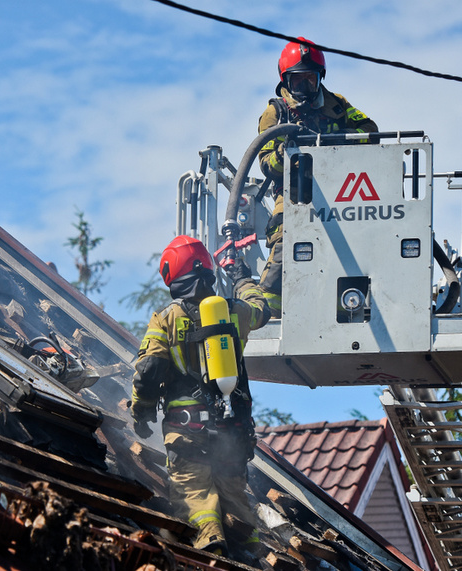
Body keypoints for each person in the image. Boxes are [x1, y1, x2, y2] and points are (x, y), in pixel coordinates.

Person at [129, 235, 270, 558]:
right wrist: (241, 277)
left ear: (171, 274)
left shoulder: (166, 318)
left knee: (193, 495)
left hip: (188, 430)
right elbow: (262, 309)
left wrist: (142, 412)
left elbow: (149, 370)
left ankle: (211, 549)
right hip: (233, 430)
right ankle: (253, 555)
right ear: (206, 266)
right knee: (235, 497)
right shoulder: (236, 313)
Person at [257, 37, 378, 317]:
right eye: (298, 81)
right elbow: (265, 162)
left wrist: (337, 142)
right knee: (284, 237)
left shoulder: (337, 105)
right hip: (294, 194)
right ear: (286, 80)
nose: (304, 87)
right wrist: (288, 151)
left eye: (310, 80)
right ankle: (269, 310)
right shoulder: (275, 112)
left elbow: (371, 131)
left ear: (319, 78)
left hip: (341, 192)